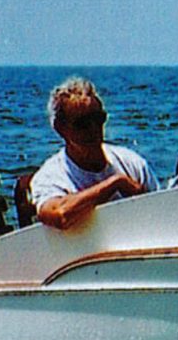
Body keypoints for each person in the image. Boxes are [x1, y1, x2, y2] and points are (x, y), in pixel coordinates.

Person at [28, 77, 160, 230]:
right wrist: (114, 184)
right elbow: (59, 214)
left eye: (98, 119)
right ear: (61, 129)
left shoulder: (133, 164)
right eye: (82, 124)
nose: (93, 129)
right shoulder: (50, 177)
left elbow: (160, 211)